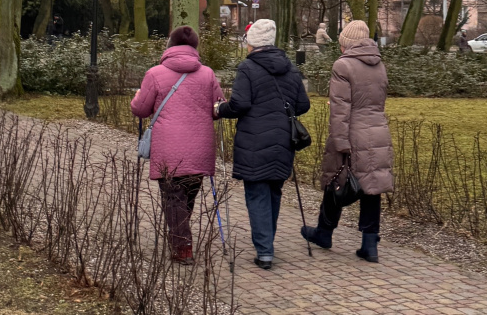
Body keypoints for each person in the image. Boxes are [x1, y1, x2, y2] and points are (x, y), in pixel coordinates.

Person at [216, 19, 310, 270]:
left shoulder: (247, 67)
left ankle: (265, 250)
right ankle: (267, 243)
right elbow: (303, 105)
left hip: (254, 140)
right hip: (282, 140)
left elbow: (239, 105)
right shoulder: (290, 68)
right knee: (273, 192)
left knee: (257, 194)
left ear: (251, 43)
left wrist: (219, 110)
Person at [300, 20, 394, 263]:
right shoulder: (379, 64)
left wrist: (340, 141)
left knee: (337, 179)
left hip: (353, 130)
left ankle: (324, 232)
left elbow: (341, 110)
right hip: (378, 130)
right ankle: (370, 244)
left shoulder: (342, 66)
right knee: (372, 186)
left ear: (347, 43)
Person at [131, 26, 224, 265]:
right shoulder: (208, 74)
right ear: (195, 47)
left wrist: (138, 95)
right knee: (187, 195)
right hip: (200, 146)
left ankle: (182, 247)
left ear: (169, 46)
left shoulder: (154, 74)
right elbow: (218, 110)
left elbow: (140, 109)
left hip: (169, 148)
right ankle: (179, 235)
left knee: (174, 198)